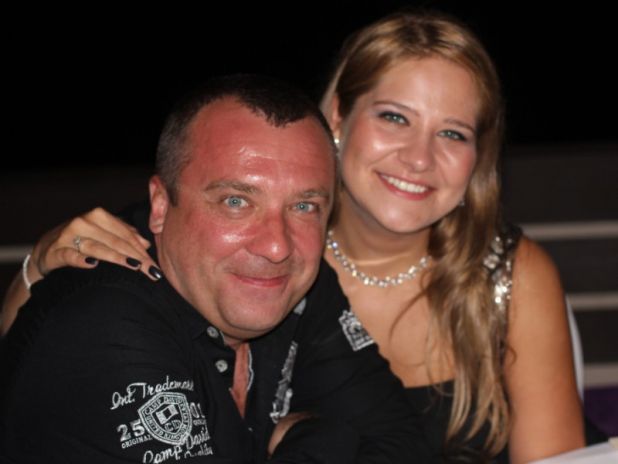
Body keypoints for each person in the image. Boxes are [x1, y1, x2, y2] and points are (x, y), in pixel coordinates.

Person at [1, 10, 586, 464]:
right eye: (394, 117)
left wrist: (304, 438)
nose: (418, 156)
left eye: (453, 133)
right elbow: (59, 339)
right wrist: (34, 270)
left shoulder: (303, 278)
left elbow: (404, 444)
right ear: (338, 120)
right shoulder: (151, 293)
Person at [0, 74, 423, 463]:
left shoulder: (297, 283)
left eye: (304, 206)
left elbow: (403, 442)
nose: (277, 246)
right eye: (236, 202)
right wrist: (317, 437)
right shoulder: (107, 322)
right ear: (161, 206)